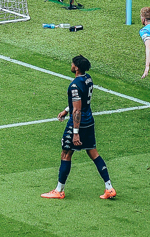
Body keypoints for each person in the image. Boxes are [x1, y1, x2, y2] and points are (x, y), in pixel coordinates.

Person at [40, 56, 117, 200]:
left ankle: (59, 190)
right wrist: (66, 110)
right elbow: (80, 103)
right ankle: (109, 187)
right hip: (89, 121)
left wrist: (75, 133)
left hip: (78, 124)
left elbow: (77, 111)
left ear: (76, 68)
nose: (71, 65)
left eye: (72, 64)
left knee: (66, 154)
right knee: (93, 153)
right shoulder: (88, 79)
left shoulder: (74, 85)